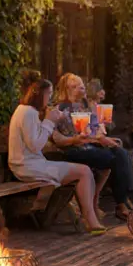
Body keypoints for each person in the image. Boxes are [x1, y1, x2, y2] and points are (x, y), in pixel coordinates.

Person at [10, 77, 108, 234]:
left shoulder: (29, 112)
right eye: (48, 94)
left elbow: (35, 141)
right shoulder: (27, 113)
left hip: (33, 163)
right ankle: (90, 220)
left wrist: (51, 121)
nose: (49, 98)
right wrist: (49, 121)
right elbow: (35, 146)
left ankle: (89, 218)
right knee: (84, 171)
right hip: (26, 167)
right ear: (38, 94)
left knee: (85, 170)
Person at [54, 73, 133, 222]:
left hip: (89, 147)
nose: (81, 88)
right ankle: (122, 202)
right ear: (66, 90)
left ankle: (122, 202)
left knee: (121, 152)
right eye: (75, 86)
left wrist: (103, 136)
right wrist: (95, 139)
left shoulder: (83, 106)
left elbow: (93, 130)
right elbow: (59, 138)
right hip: (73, 151)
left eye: (81, 84)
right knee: (112, 158)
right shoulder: (61, 109)